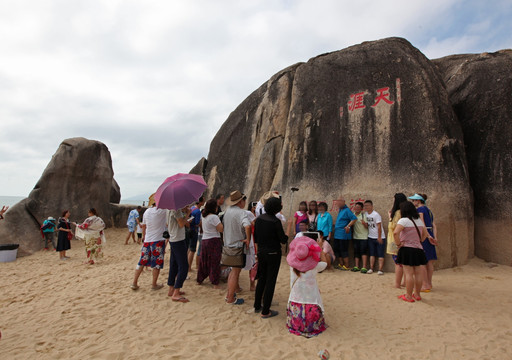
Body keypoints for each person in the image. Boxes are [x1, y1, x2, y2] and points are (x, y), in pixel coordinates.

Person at [253, 197, 288, 318]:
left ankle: (257, 305)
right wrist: (287, 232)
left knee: (261, 278)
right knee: (270, 281)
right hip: (273, 253)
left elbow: (256, 237)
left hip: (261, 252)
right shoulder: (275, 221)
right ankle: (265, 310)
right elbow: (283, 240)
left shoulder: (258, 219)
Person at [286, 236, 328, 337]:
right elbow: (325, 263)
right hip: (311, 303)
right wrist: (319, 248)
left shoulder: (292, 267)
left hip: (295, 304)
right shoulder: (314, 267)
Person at [393, 201, 428, 302]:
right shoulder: (419, 221)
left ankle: (408, 295)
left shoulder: (403, 220)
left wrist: (399, 244)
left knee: (408, 273)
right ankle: (417, 294)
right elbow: (425, 234)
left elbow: (396, 233)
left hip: (407, 249)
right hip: (418, 249)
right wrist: (420, 241)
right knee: (418, 273)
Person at [221, 190, 251, 305]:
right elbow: (247, 226)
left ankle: (230, 294)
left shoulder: (227, 211)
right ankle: (230, 298)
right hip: (237, 246)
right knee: (235, 272)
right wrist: (247, 239)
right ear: (240, 201)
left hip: (228, 245)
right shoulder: (241, 213)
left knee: (232, 271)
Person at [131, 200, 167, 290]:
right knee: (157, 263)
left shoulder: (147, 211)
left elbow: (144, 226)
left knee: (142, 261)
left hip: (148, 240)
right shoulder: (163, 211)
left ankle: (134, 282)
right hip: (158, 240)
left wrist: (144, 237)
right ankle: (154, 284)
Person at [409, 193, 438, 292]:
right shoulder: (429, 210)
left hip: (424, 236)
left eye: (414, 200)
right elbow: (434, 225)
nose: (413, 202)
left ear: (418, 201)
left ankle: (425, 284)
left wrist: (427, 236)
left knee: (422, 262)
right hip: (430, 234)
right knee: (429, 262)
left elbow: (421, 223)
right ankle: (429, 283)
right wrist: (434, 237)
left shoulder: (420, 210)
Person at [196, 199, 224, 289]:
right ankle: (215, 282)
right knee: (215, 261)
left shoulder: (204, 216)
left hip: (205, 239)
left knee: (204, 260)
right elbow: (221, 229)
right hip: (214, 240)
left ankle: (200, 279)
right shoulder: (214, 217)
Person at [167, 206, 192, 302]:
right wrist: (187, 215)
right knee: (184, 266)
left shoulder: (169, 209)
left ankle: (171, 289)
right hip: (178, 240)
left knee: (174, 264)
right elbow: (181, 224)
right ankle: (176, 292)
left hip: (173, 238)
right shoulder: (176, 210)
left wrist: (184, 213)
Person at [387, 193, 408, 288]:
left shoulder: (397, 213)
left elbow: (393, 227)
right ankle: (404, 282)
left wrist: (390, 217)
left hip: (395, 240)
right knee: (404, 263)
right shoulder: (406, 212)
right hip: (404, 239)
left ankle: (397, 283)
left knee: (398, 263)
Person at [333, 197, 357, 270]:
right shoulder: (340, 210)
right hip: (337, 234)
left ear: (344, 202)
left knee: (344, 250)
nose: (338, 203)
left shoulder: (347, 210)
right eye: (337, 202)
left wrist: (348, 226)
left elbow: (354, 218)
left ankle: (346, 266)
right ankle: (341, 264)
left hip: (343, 234)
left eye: (340, 202)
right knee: (337, 250)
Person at [364, 200, 386, 275]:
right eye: (365, 206)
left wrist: (379, 237)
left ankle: (380, 269)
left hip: (379, 237)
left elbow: (379, 226)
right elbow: (367, 226)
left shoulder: (376, 214)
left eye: (367, 205)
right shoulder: (366, 214)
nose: (366, 207)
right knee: (372, 254)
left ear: (372, 206)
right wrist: (364, 224)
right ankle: (371, 268)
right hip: (370, 236)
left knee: (380, 254)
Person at [187, 197, 204, 271]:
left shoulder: (192, 208)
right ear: (200, 202)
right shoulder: (197, 211)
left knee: (189, 248)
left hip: (188, 230)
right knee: (193, 250)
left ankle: (187, 266)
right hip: (194, 230)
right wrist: (201, 224)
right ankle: (189, 267)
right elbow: (197, 223)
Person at [243, 201, 257, 291]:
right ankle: (252, 285)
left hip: (246, 238)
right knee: (252, 263)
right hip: (250, 238)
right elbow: (254, 225)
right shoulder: (248, 213)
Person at [351, 202, 369, 273]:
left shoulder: (363, 215)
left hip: (363, 237)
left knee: (363, 252)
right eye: (356, 207)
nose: (357, 208)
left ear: (361, 209)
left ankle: (364, 267)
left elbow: (367, 226)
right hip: (355, 236)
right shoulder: (352, 215)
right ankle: (356, 266)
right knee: (356, 252)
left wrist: (364, 224)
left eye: (358, 207)